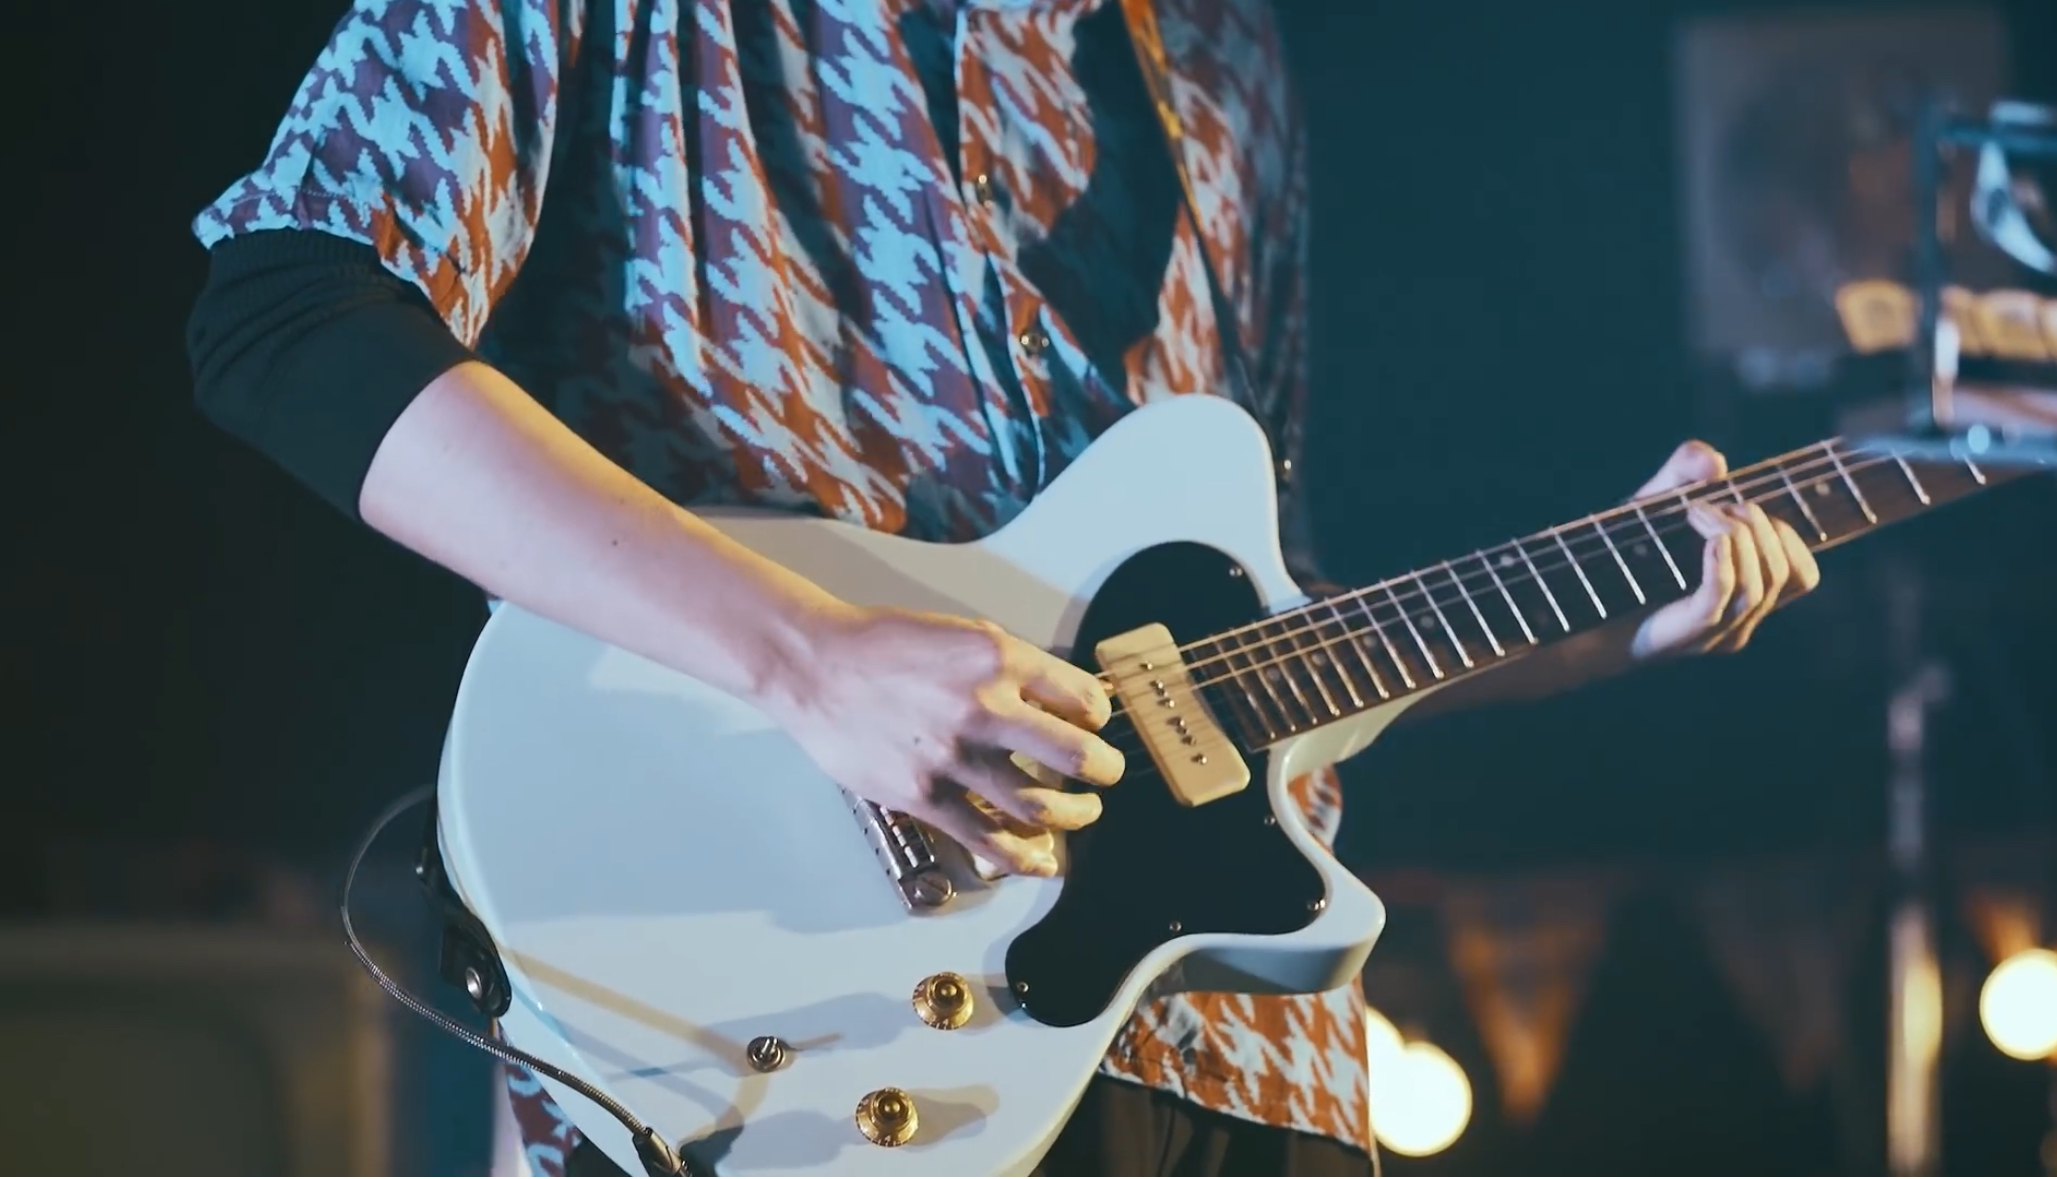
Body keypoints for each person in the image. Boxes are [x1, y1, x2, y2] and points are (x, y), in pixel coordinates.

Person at [184, 0, 1820, 1174]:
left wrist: (1594, 625)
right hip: (777, 1042)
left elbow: (1236, 642)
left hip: (1239, 1065)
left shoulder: (1225, 58)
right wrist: (810, 660)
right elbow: (287, 316)